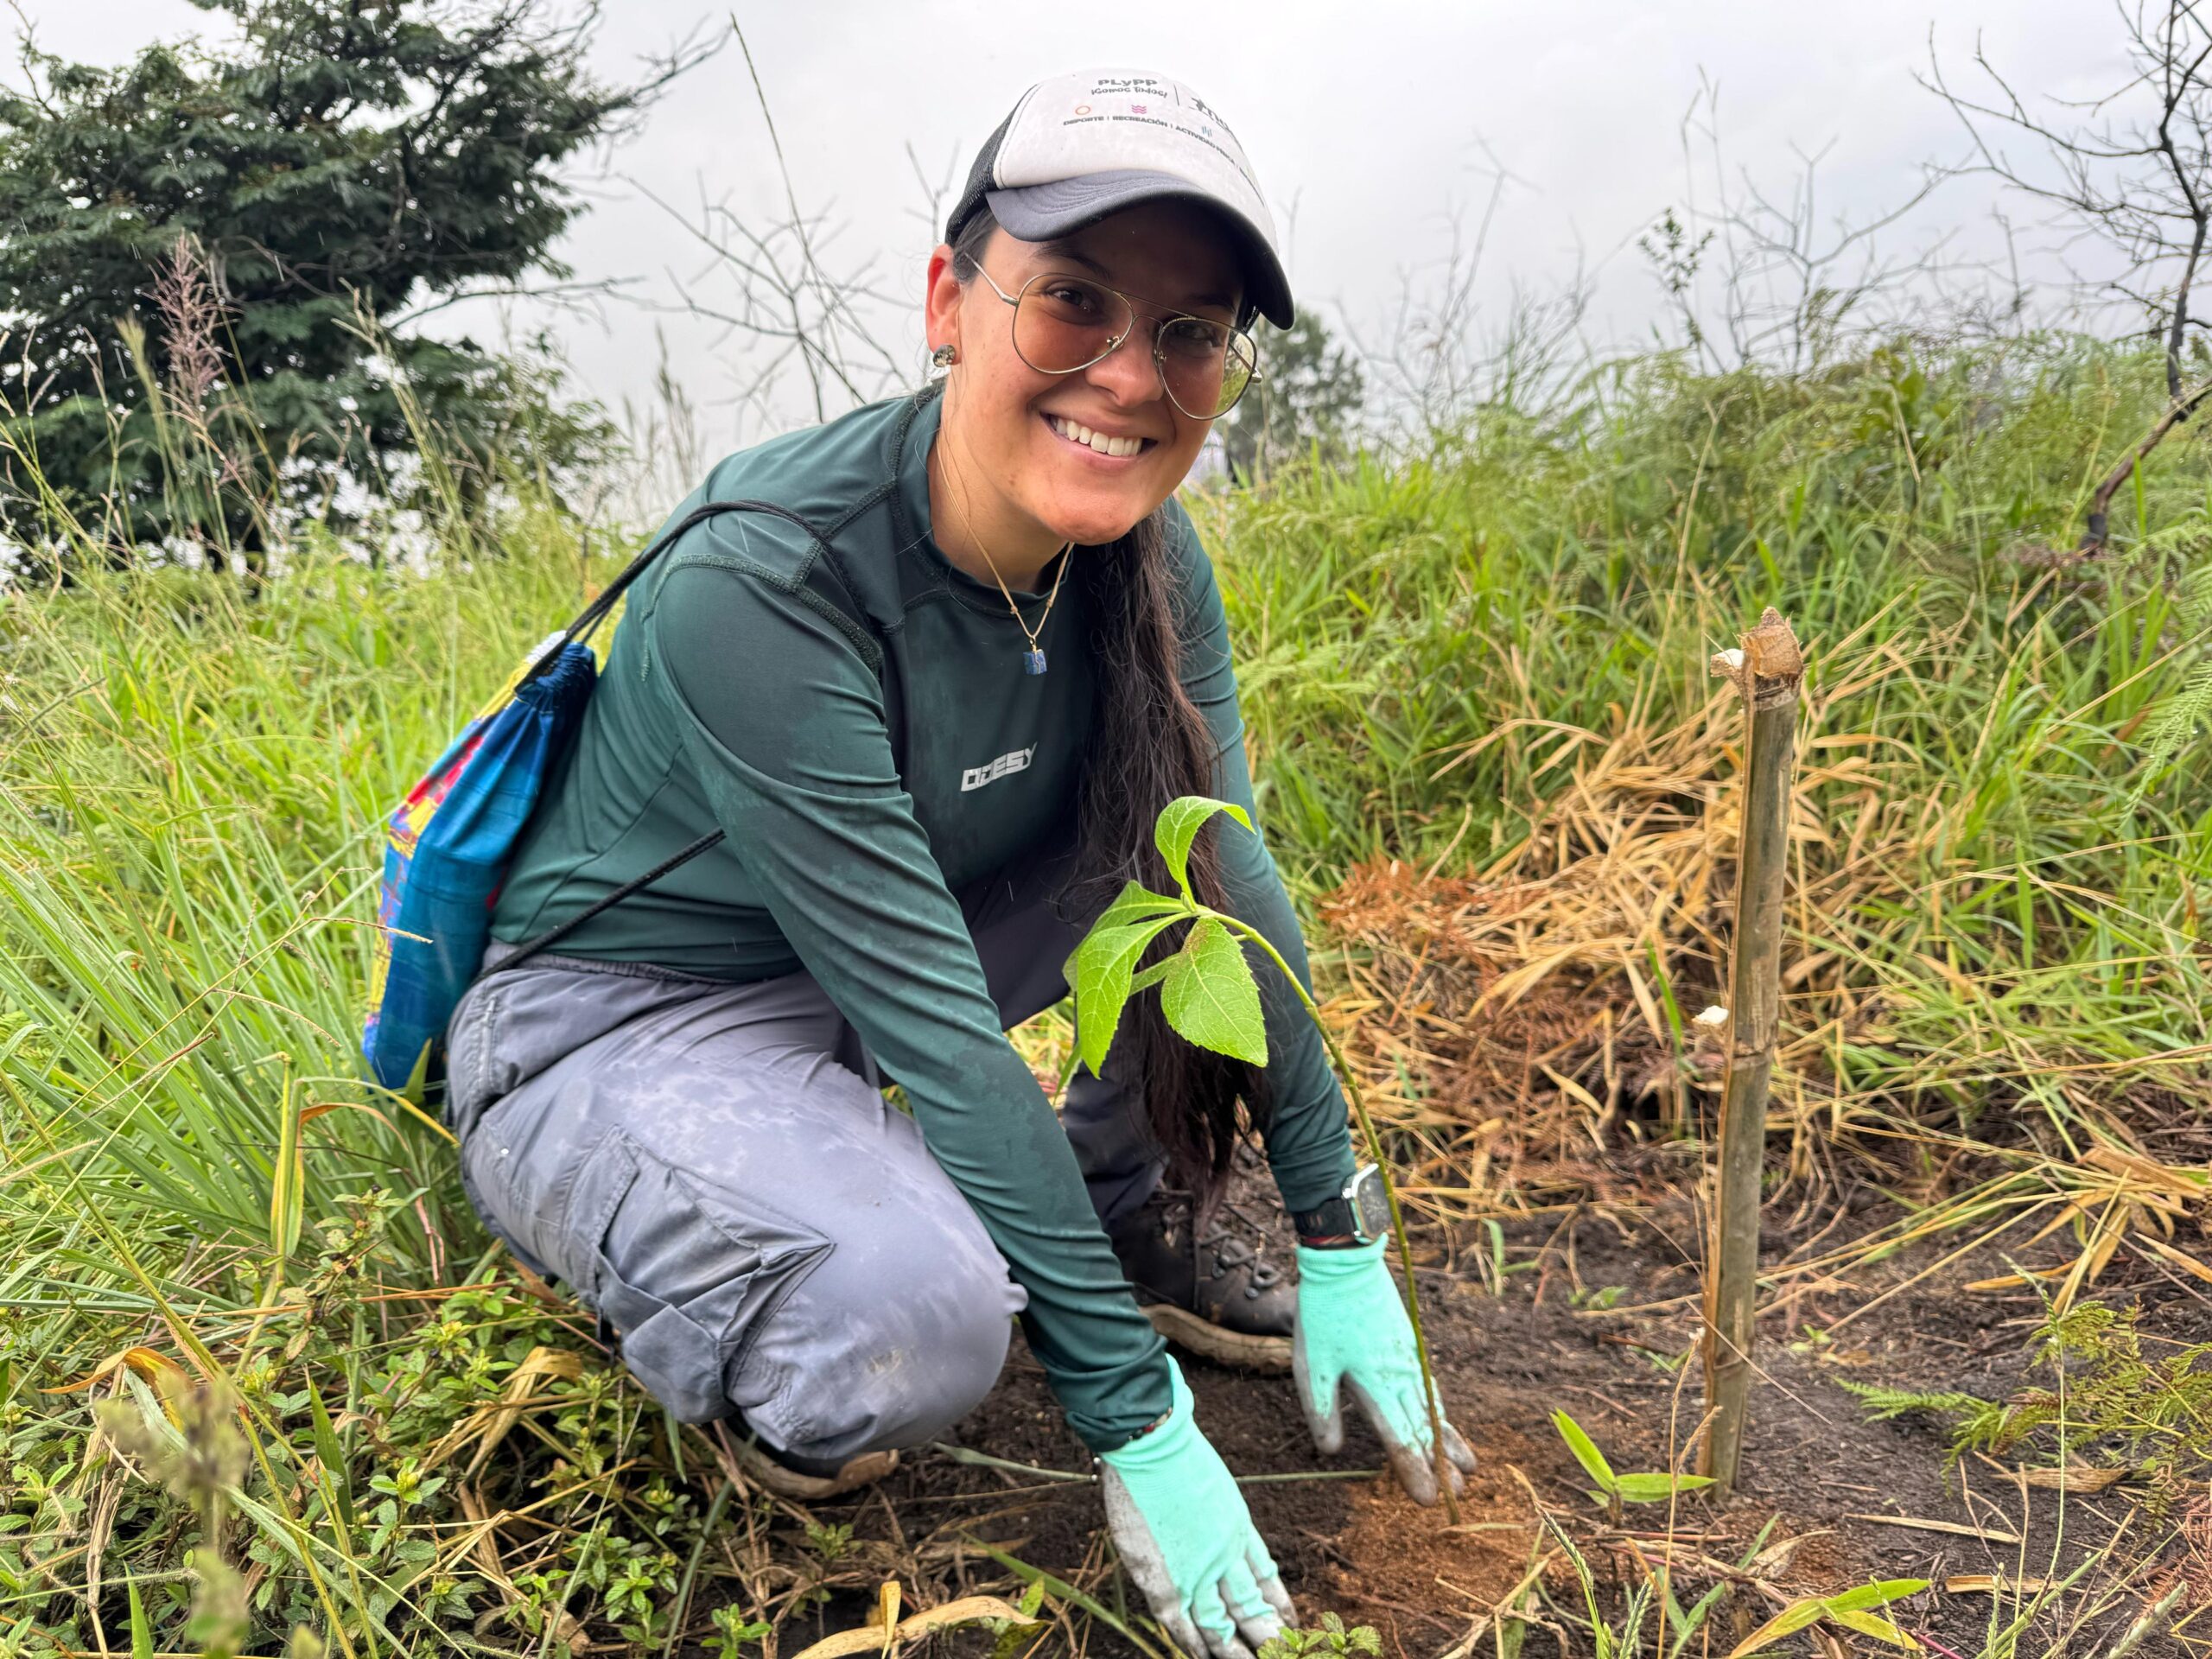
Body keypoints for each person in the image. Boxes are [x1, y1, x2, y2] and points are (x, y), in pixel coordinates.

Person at [442, 67, 1473, 1659]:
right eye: (1073, 302)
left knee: (1178, 875)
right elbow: (935, 1024)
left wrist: (1345, 1234)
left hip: (879, 967)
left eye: (1190, 333)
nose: (1128, 377)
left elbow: (1229, 879)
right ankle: (740, 1309)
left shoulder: (1145, 558)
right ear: (949, 302)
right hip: (634, 1010)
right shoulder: (767, 578)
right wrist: (1135, 1423)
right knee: (915, 1323)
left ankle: (1121, 1218)